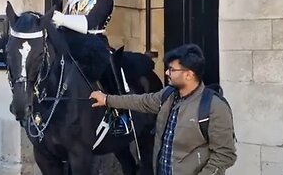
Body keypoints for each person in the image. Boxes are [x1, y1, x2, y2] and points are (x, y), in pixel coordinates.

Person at [90, 44, 237, 175]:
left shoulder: (214, 107)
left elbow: (225, 155)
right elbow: (141, 101)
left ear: (189, 74)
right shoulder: (168, 95)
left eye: (172, 69)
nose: (166, 73)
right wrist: (107, 99)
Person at [51, 0, 130, 136]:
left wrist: (61, 18)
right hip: (70, 44)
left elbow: (90, 23)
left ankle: (121, 115)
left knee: (109, 70)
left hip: (93, 44)